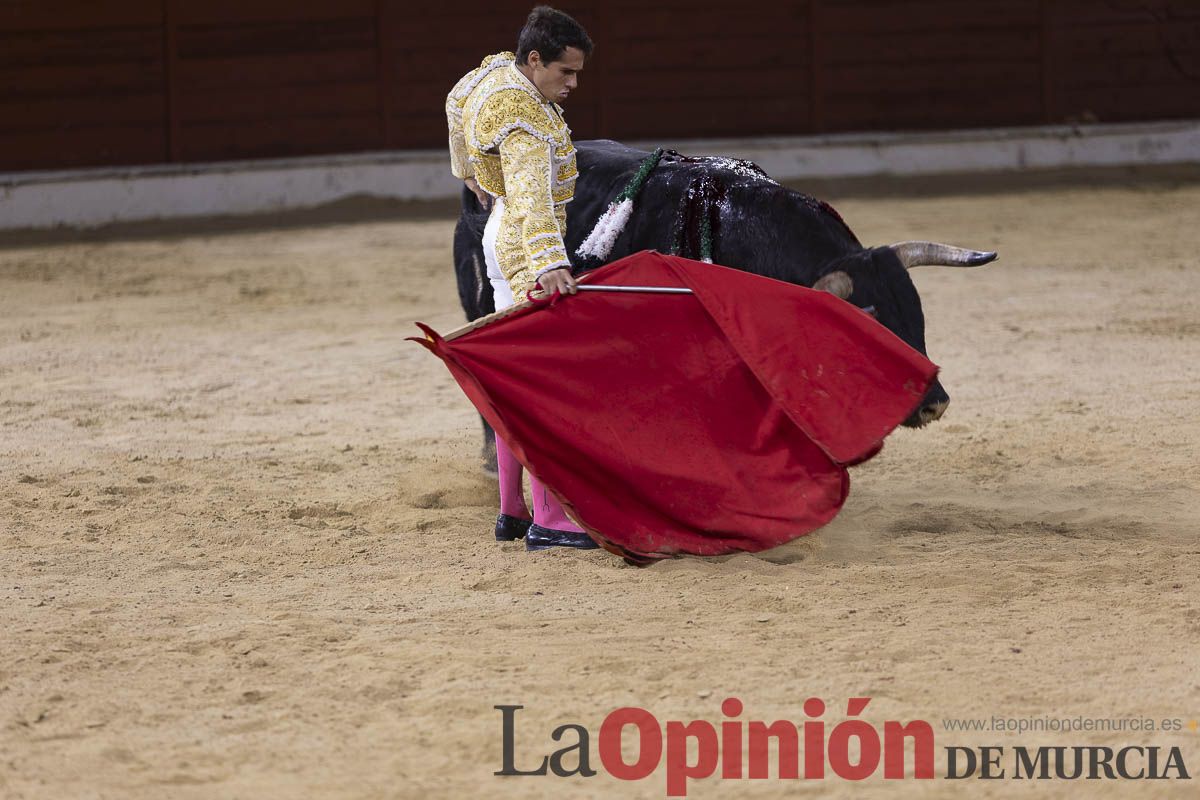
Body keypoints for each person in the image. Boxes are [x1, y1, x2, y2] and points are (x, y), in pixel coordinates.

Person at [445, 6, 597, 551]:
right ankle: (550, 519)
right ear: (535, 60)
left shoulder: (497, 74)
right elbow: (533, 201)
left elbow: (457, 96)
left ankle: (512, 509)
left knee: (513, 384)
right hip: (524, 251)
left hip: (497, 231)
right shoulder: (527, 122)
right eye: (565, 72)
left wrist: (466, 168)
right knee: (543, 390)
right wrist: (550, 264)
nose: (573, 84)